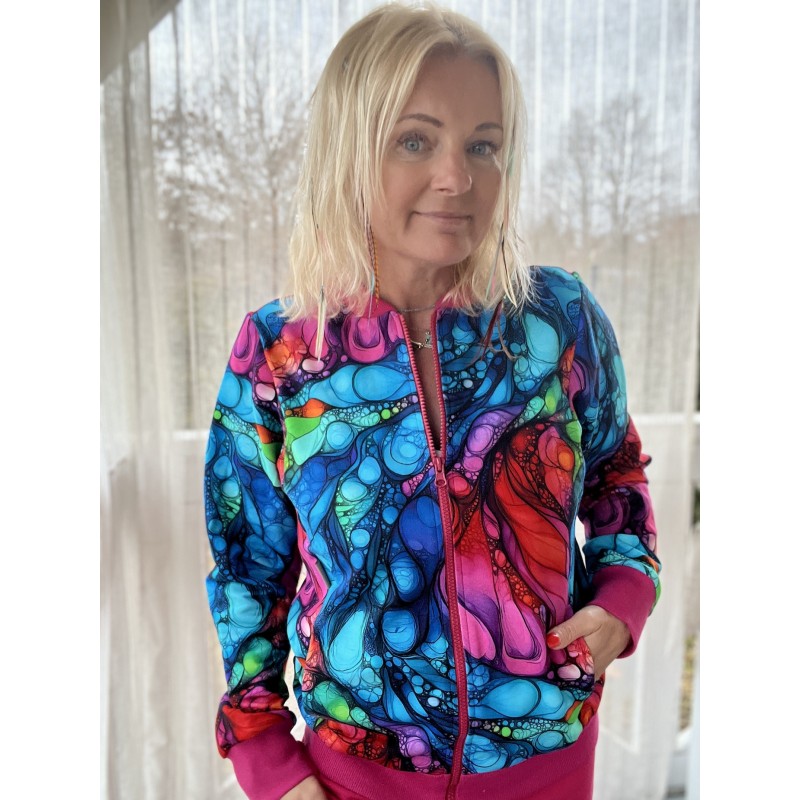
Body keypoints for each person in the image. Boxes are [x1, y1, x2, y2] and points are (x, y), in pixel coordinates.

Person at [204, 4, 660, 800]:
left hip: (545, 760)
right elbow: (249, 568)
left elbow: (617, 475)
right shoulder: (280, 353)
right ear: (350, 151)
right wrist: (266, 755)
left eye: (483, 145)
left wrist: (623, 599)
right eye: (416, 140)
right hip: (353, 776)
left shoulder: (559, 321)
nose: (457, 177)